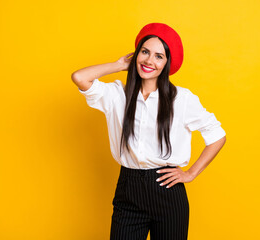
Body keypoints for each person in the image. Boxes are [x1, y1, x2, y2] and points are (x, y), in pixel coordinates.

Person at [71, 22, 226, 240]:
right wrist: (118, 64)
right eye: (144, 52)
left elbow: (217, 135)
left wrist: (190, 173)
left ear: (167, 63)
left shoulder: (181, 99)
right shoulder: (117, 95)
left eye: (158, 56)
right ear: (136, 55)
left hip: (167, 191)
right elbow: (80, 77)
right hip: (128, 188)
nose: (149, 61)